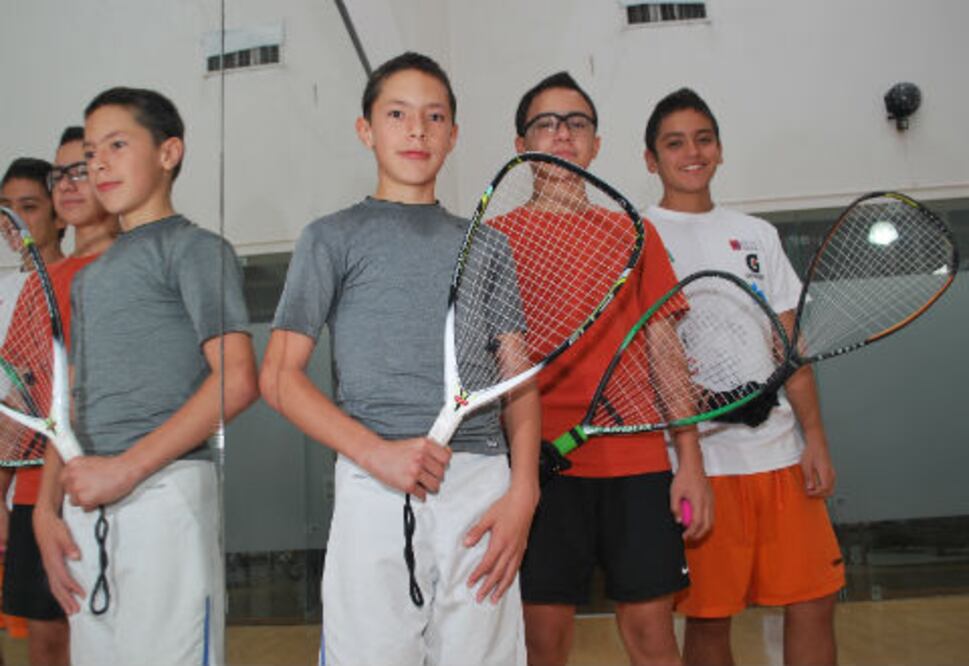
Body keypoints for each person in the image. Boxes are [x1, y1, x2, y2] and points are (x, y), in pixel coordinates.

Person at [259, 51, 541, 666]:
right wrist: (377, 454)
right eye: (397, 114)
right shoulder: (330, 237)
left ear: (453, 135)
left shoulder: (487, 244)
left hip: (481, 486)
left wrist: (524, 491)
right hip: (374, 484)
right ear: (365, 130)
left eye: (434, 116)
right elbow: (278, 378)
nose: (417, 130)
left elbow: (517, 379)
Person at [34, 88, 259, 666]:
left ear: (168, 153)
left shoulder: (195, 250)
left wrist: (125, 469)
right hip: (89, 500)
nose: (99, 164)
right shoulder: (90, 279)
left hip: (165, 493)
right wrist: (46, 509)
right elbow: (72, 400)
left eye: (117, 145)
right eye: (91, 152)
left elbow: (236, 379)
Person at [512, 72, 711, 666]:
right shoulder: (496, 240)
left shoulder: (634, 233)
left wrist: (690, 461)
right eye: (546, 123)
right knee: (541, 642)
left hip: (638, 463)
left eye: (577, 123)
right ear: (522, 145)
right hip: (539, 469)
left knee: (653, 636)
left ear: (595, 143)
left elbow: (664, 348)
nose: (562, 134)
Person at [643, 87, 844, 666]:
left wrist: (814, 438)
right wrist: (687, 455)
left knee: (815, 600)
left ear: (720, 149)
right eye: (674, 143)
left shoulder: (758, 234)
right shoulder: (638, 235)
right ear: (651, 159)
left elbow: (789, 345)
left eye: (703, 139)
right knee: (709, 619)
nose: (692, 152)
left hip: (780, 455)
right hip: (698, 468)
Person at [0, 156, 69, 666]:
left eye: (28, 207)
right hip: (18, 491)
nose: (14, 222)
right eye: (6, 209)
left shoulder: (78, 279)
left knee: (57, 636)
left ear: (58, 213)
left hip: (56, 485)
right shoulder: (16, 289)